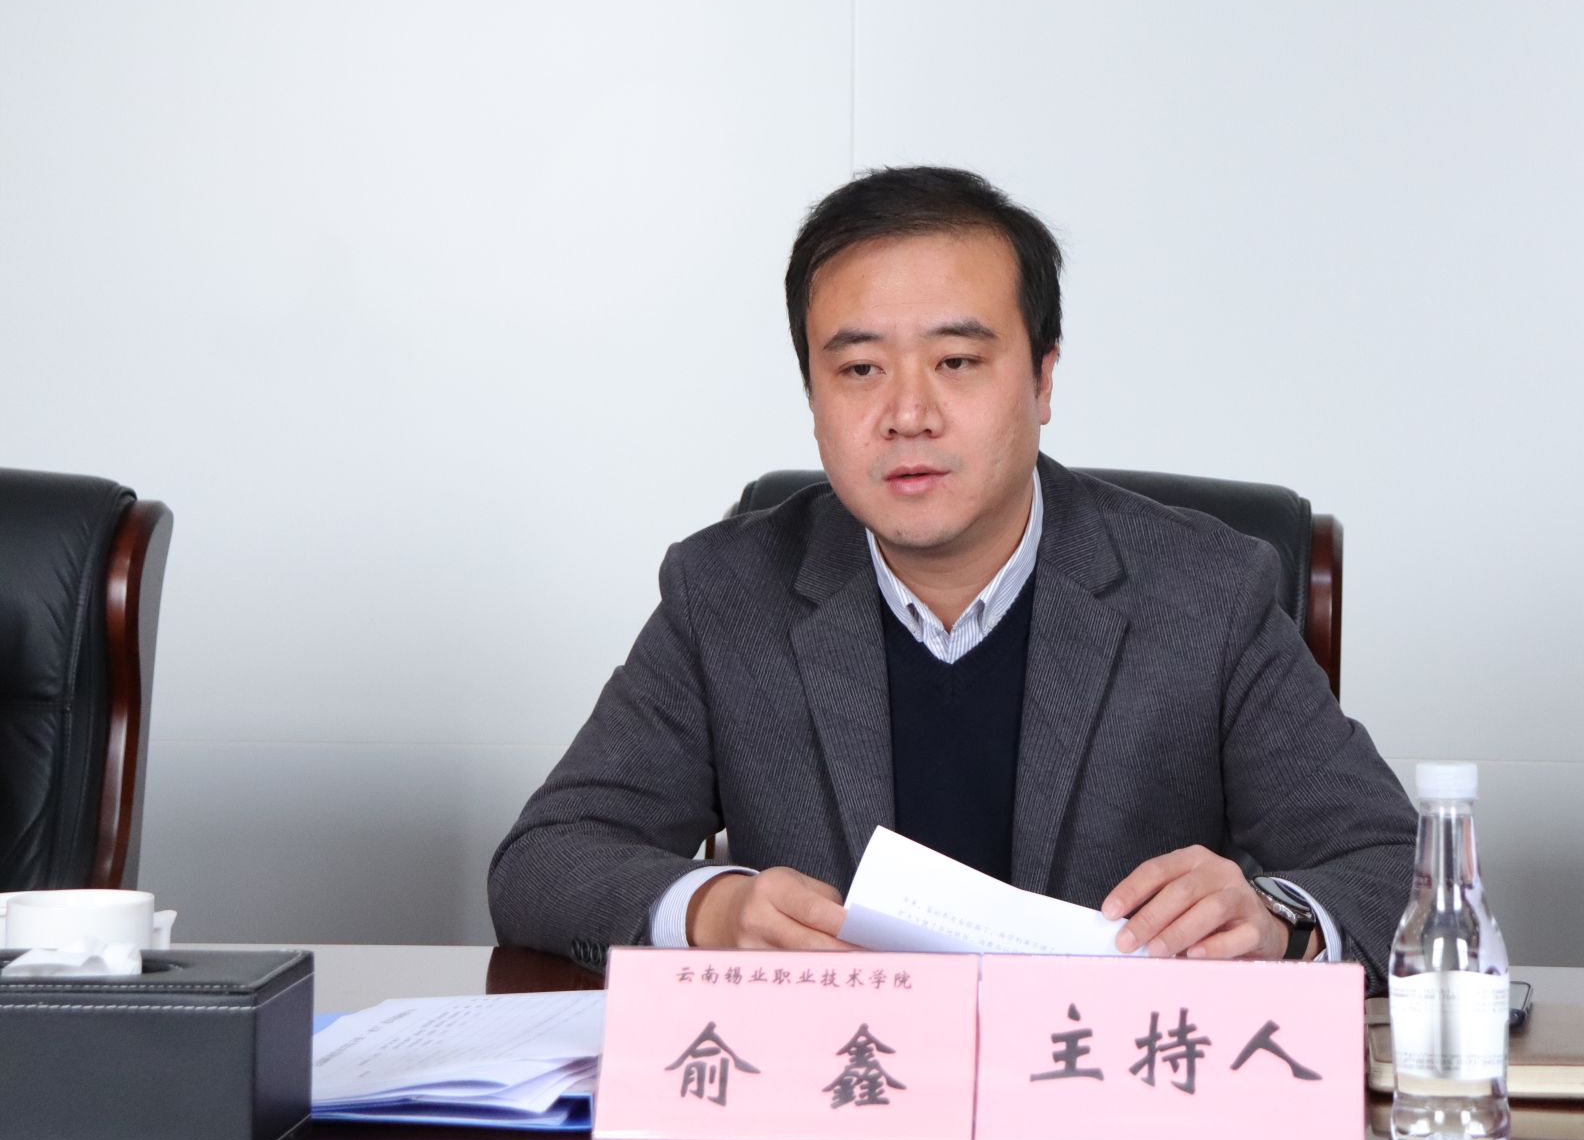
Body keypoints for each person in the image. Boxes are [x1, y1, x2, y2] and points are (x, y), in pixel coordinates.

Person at [488, 166, 1417, 983]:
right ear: (812, 394)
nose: (908, 413)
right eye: (859, 368)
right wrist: (712, 908)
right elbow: (545, 859)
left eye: (957, 360)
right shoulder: (727, 593)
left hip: (1099, 1091)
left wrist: (1279, 919)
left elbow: (1391, 865)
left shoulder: (1204, 592)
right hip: (840, 1093)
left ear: (1043, 380)